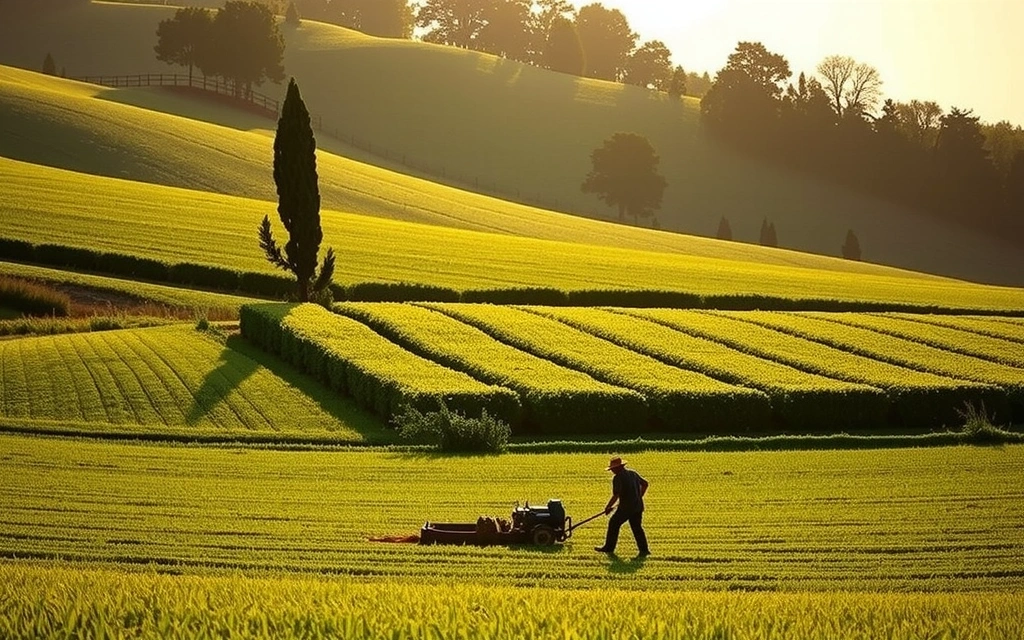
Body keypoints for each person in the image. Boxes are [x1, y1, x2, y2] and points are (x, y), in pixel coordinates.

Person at [595, 456, 650, 556]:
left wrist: (608, 507)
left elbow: (616, 495)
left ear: (618, 468)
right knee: (637, 527)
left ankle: (608, 548)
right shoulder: (633, 473)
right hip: (638, 506)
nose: (612, 471)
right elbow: (645, 484)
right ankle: (644, 550)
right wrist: (639, 496)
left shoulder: (618, 478)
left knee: (613, 524)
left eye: (613, 469)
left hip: (626, 508)